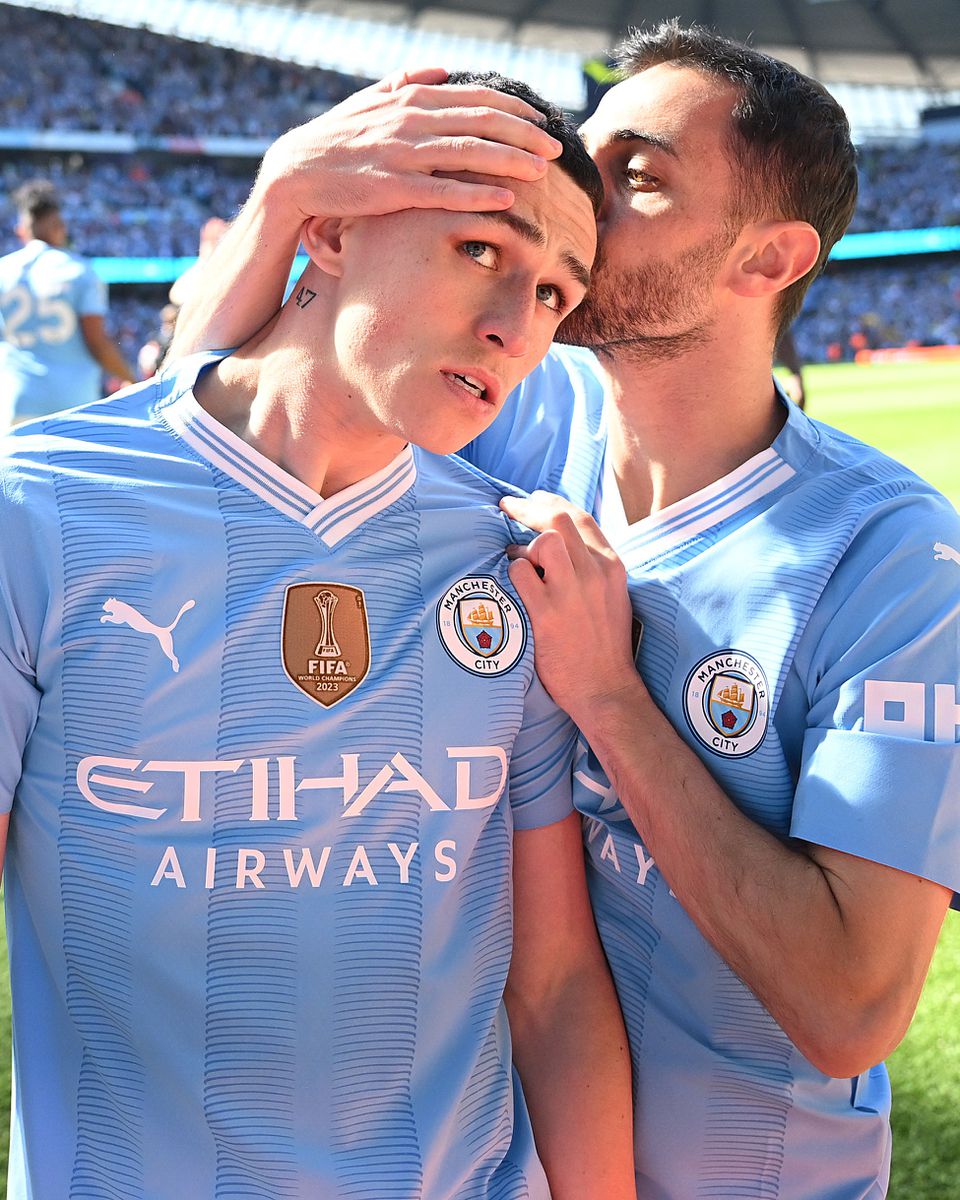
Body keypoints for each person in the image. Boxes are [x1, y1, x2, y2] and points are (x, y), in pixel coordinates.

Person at [170, 24, 960, 1199]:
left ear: (770, 258)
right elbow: (213, 431)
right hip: (502, 1159)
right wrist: (291, 191)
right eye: (583, 158)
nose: (579, 195)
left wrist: (608, 697)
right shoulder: (523, 423)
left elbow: (848, 1008)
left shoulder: (890, 558)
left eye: (637, 175)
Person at [0, 76, 636, 1199]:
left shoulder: (508, 564)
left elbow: (553, 985)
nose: (515, 324)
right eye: (485, 249)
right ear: (331, 228)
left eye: (551, 292)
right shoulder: (39, 516)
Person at [0, 180, 134, 427]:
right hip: (73, 402)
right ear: (58, 226)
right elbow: (97, 343)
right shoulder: (79, 270)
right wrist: (131, 379)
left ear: (23, 229)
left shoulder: (3, 270)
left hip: (16, 400)